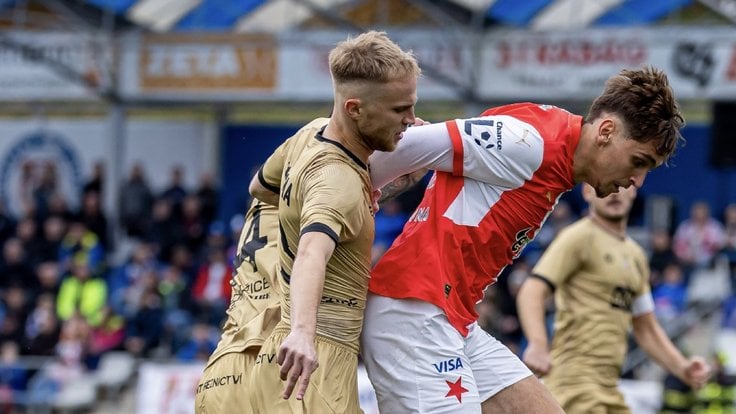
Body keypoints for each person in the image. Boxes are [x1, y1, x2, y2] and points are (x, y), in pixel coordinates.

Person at [358, 66, 687, 413]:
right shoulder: (528, 141)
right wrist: (343, 200)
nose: (637, 181)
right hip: (413, 314)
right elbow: (405, 145)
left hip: (452, 319)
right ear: (606, 131)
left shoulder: (557, 149)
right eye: (638, 162)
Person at [246, 30, 421, 413]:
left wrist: (384, 187)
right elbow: (312, 250)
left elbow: (259, 187)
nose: (411, 120)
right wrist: (304, 334)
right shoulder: (338, 180)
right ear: (355, 109)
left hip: (288, 349)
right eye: (398, 111)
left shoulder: (308, 134)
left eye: (411, 106)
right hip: (319, 358)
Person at [516, 183, 711, 414]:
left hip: (609, 388)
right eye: (607, 185)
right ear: (587, 192)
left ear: (634, 190)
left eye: (622, 185)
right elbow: (532, 289)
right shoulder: (578, 237)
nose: (615, 192)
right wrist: (538, 343)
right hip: (574, 384)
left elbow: (645, 328)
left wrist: (682, 367)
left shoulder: (636, 255)